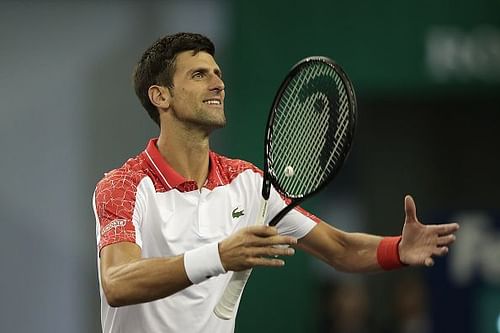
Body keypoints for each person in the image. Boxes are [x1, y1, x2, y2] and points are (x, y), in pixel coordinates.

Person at [92, 32, 459, 333]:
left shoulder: (249, 184)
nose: (218, 84)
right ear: (161, 96)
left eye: (218, 73)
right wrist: (219, 257)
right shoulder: (124, 186)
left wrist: (397, 249)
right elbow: (118, 283)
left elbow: (340, 248)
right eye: (199, 75)